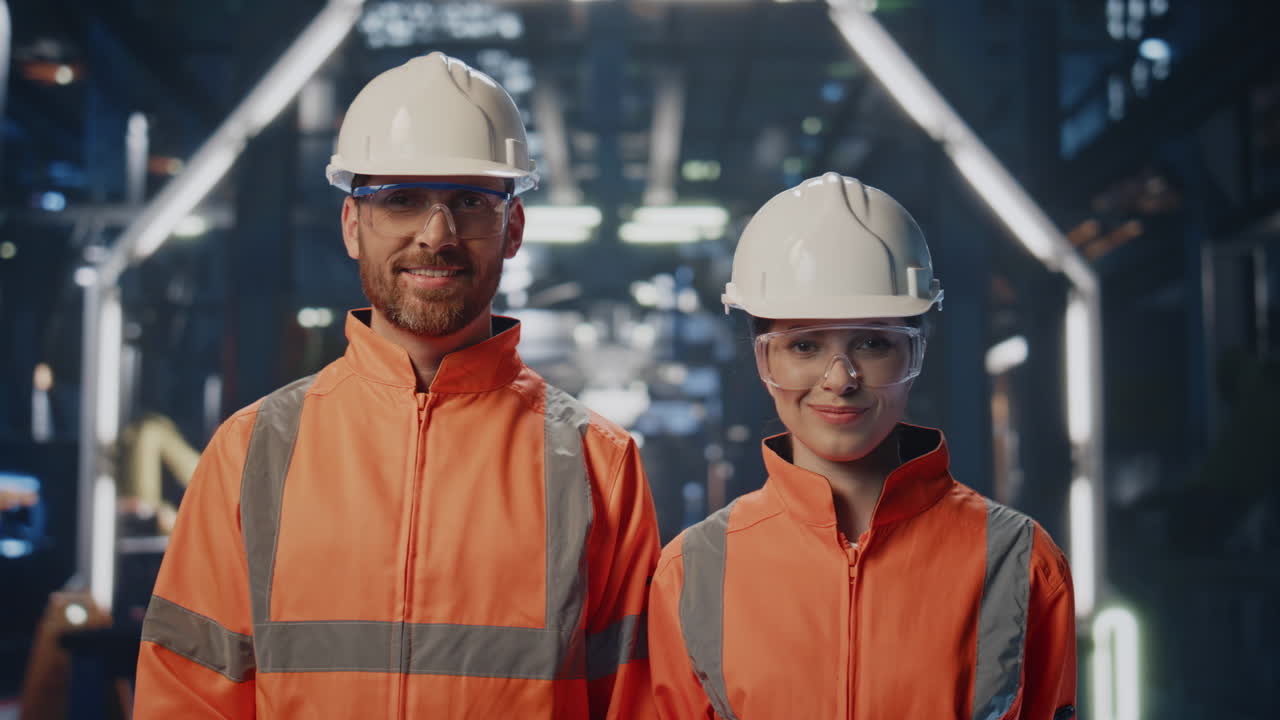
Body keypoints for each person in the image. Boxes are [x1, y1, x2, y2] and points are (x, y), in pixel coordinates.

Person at [135, 52, 660, 719]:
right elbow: (186, 696)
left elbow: (636, 704)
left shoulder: (597, 465)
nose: (436, 235)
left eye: (470, 202)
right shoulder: (253, 452)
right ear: (352, 226)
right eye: (401, 200)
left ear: (513, 229)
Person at [647, 173, 1077, 719]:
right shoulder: (693, 572)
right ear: (762, 358)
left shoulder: (1020, 562)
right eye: (804, 345)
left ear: (915, 353)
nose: (839, 379)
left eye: (872, 343)